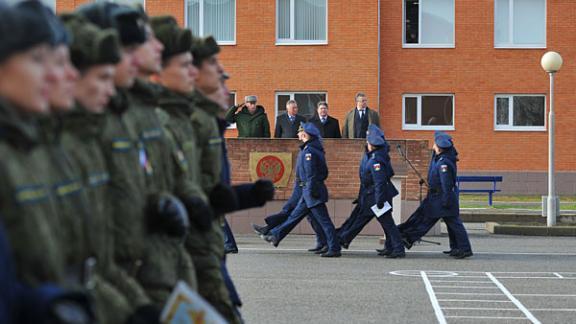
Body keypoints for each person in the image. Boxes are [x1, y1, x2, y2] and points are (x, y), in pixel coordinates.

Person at [264, 122, 341, 257]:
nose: (298, 134)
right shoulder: (308, 149)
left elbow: (311, 174)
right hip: (308, 192)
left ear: (305, 134)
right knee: (297, 216)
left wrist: (311, 190)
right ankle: (275, 235)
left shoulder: (309, 152)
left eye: (300, 132)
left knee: (324, 221)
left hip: (312, 193)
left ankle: (334, 248)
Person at [399, 131, 473, 259]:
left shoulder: (444, 163)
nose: (433, 146)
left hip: (443, 197)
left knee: (453, 224)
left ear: (439, 147)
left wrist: (446, 200)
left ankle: (465, 249)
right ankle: (456, 248)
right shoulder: (439, 158)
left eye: (435, 144)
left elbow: (445, 184)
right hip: (438, 197)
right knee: (452, 224)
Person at [336, 125, 404, 258]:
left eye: (368, 142)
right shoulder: (373, 155)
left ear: (372, 144)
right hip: (370, 195)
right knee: (384, 223)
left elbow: (379, 181)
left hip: (377, 196)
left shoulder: (376, 159)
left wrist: (379, 200)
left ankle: (398, 248)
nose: (366, 144)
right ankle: (390, 247)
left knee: (385, 223)